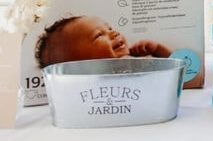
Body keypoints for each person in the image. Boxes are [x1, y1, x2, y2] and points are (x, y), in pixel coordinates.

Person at [34, 15, 204, 88]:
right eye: (99, 35)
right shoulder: (90, 86)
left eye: (109, 28)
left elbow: (190, 78)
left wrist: (159, 50)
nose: (114, 33)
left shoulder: (140, 59)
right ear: (78, 65)